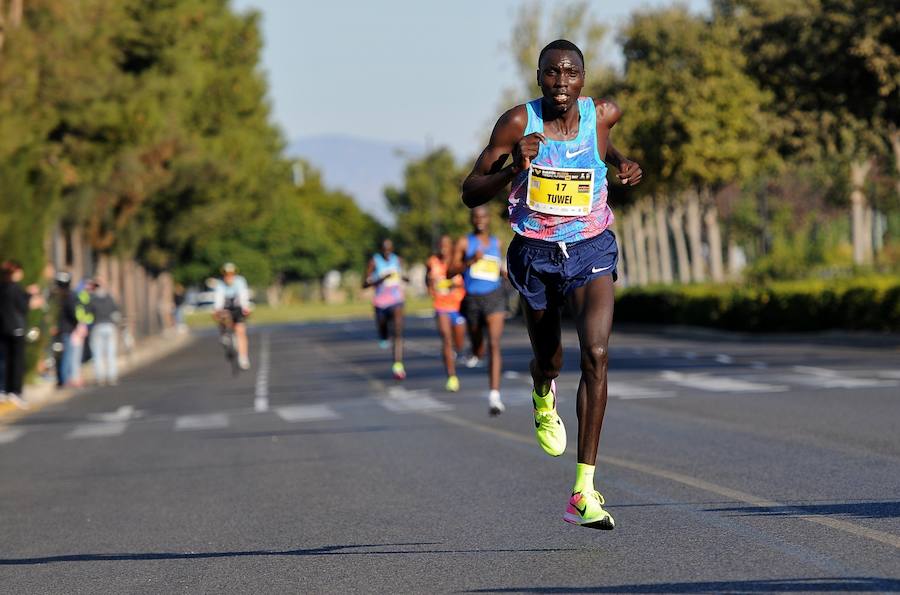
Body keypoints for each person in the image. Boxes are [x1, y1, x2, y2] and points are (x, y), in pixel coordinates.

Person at [461, 40, 643, 529]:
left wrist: (619, 164)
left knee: (597, 355)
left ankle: (583, 491)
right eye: (551, 73)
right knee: (552, 358)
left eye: (571, 73)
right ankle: (543, 389)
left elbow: (604, 144)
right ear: (538, 77)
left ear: (583, 78)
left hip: (591, 247)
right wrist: (511, 169)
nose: (561, 82)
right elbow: (469, 190)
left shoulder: (602, 113)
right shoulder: (518, 123)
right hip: (535, 254)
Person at [449, 206, 507, 415]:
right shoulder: (465, 242)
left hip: (494, 296)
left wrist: (505, 273)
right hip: (472, 298)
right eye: (476, 217)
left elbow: (496, 267)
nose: (480, 220)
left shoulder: (495, 243)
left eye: (483, 216)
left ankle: (494, 396)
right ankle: (475, 350)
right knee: (479, 346)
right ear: (471, 220)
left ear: (488, 219)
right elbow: (449, 271)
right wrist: (470, 261)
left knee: (494, 344)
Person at [0, 261, 44, 408]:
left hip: (3, 328)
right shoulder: (15, 288)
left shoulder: (3, 287)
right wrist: (33, 298)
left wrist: (27, 293)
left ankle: (3, 389)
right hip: (16, 328)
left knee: (4, 360)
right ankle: (15, 392)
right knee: (17, 361)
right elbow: (23, 306)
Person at [426, 235, 467, 392]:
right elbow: (427, 277)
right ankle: (451, 376)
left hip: (458, 307)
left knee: (459, 343)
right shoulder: (432, 262)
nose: (443, 248)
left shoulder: (457, 262)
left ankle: (457, 352)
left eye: (446, 245)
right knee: (446, 338)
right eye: (441, 245)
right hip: (441, 306)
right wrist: (430, 286)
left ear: (451, 247)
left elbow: (465, 278)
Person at [363, 239, 407, 380]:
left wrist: (405, 278)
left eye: (389, 250)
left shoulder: (398, 260)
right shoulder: (374, 262)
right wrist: (381, 279)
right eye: (384, 250)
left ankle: (398, 364)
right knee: (383, 331)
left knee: (398, 332)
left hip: (396, 300)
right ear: (380, 250)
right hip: (381, 303)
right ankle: (383, 336)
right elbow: (364, 284)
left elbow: (404, 276)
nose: (387, 253)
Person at [212, 262, 251, 370]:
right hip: (226, 308)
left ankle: (243, 357)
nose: (229, 276)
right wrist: (217, 310)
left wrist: (245, 307)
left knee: (241, 331)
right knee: (222, 315)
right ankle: (224, 334)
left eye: (231, 274)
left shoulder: (240, 281)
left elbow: (243, 296)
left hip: (238, 307)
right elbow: (218, 300)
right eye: (226, 274)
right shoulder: (220, 284)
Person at [87, 276, 121, 386]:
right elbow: (115, 313)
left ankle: (99, 377)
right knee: (110, 353)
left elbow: (89, 315)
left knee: (98, 354)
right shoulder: (109, 297)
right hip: (110, 326)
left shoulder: (92, 299)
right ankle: (112, 376)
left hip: (97, 326)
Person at [53, 272, 78, 388]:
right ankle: (65, 379)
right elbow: (73, 312)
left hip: (56, 330)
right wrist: (76, 324)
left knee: (59, 355)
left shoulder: (54, 295)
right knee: (66, 355)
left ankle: (62, 378)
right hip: (67, 329)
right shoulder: (70, 295)